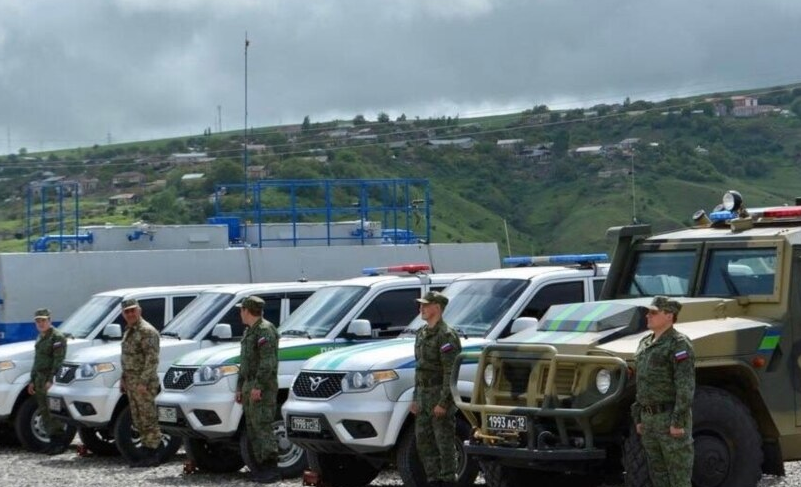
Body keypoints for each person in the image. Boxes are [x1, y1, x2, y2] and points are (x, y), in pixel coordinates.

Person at [631, 296, 695, 487]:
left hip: (669, 418)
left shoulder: (679, 344)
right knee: (658, 475)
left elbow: (685, 385)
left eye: (653, 312)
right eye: (648, 312)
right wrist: (639, 417)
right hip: (650, 419)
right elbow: (642, 382)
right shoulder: (645, 343)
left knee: (678, 476)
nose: (648, 316)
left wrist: (678, 421)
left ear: (669, 315)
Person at [410, 291, 462, 487]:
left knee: (444, 443)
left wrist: (444, 402)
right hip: (423, 397)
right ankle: (433, 480)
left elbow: (451, 371)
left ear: (437, 308)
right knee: (424, 442)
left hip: (439, 396)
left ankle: (448, 480)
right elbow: (419, 368)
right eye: (421, 305)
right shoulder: (422, 333)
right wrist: (415, 398)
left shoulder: (446, 335)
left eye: (425, 305)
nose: (421, 308)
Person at [236, 295, 280, 484]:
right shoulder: (250, 331)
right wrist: (240, 387)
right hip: (249, 385)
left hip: (261, 387)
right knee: (252, 428)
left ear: (247, 310)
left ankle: (271, 468)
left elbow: (267, 363)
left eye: (241, 310)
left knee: (262, 426)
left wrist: (258, 387)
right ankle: (260, 467)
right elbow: (244, 362)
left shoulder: (265, 331)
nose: (240, 313)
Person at [119, 298, 162, 468]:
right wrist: (123, 378)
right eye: (126, 311)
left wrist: (143, 382)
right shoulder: (129, 330)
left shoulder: (147, 331)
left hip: (144, 384)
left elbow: (152, 360)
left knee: (148, 418)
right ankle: (145, 451)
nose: (130, 314)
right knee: (138, 418)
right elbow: (127, 357)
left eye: (132, 310)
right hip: (131, 382)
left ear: (140, 310)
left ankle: (154, 454)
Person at [30, 308, 70, 455]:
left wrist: (51, 379)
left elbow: (58, 360)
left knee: (53, 411)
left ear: (49, 320)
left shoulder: (56, 337)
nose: (41, 323)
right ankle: (52, 442)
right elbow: (37, 360)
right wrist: (32, 380)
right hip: (39, 378)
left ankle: (60, 443)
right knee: (44, 411)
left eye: (43, 320)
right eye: (38, 321)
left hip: (49, 378)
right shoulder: (40, 337)